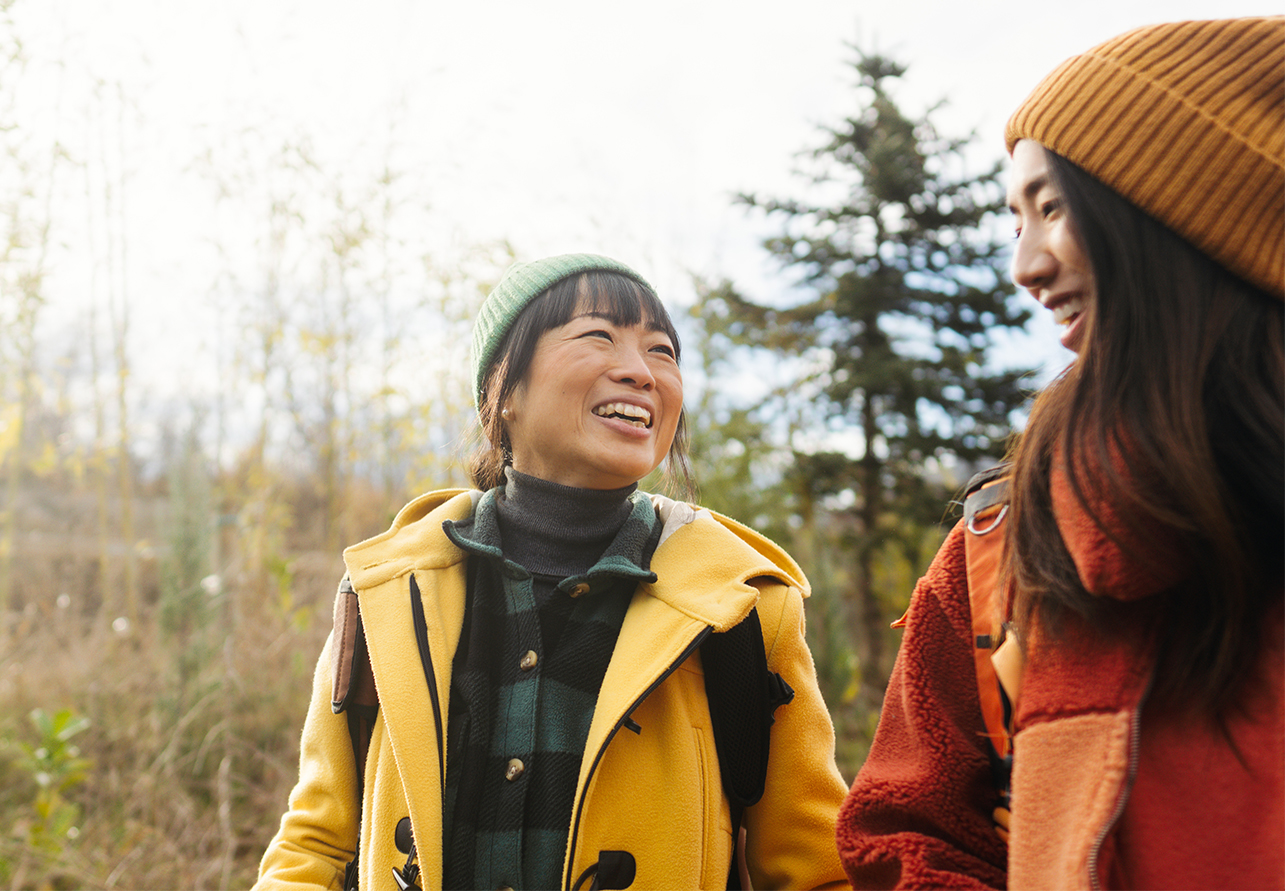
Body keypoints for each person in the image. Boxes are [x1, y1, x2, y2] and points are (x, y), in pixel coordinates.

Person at [836, 16, 1284, 890]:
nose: (1025, 265)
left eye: (1051, 206)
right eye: (1014, 220)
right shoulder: (996, 545)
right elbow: (908, 831)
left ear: (1190, 213)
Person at [255, 253, 849, 890]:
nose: (640, 371)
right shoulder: (391, 592)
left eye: (663, 351)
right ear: (503, 392)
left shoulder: (742, 608)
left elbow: (817, 873)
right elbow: (315, 846)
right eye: (599, 335)